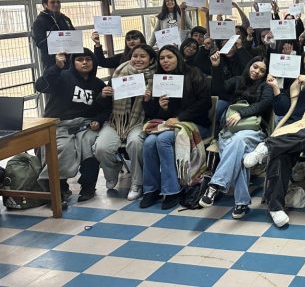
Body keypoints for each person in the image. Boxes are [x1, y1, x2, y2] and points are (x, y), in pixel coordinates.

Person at [243, 49, 305, 227]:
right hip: (293, 133)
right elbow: (284, 110)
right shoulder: (297, 84)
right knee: (281, 153)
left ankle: (267, 146)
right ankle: (276, 207)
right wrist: (275, 88)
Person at [200, 55, 273, 218]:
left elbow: (265, 103)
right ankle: (242, 202)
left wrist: (241, 113)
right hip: (229, 130)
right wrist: (216, 67)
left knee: (239, 141)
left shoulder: (265, 86)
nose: (257, 72)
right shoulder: (238, 81)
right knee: (239, 154)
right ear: (249, 65)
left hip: (253, 131)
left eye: (262, 70)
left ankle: (215, 185)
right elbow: (218, 91)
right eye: (255, 67)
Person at [34, 49, 111, 203]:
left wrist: (98, 120)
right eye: (80, 59)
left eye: (88, 59)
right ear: (73, 62)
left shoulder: (98, 84)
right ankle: (58, 188)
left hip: (86, 125)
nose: (84, 62)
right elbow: (40, 86)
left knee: (91, 145)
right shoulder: (62, 76)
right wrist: (56, 67)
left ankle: (88, 186)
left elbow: (106, 109)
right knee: (62, 148)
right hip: (59, 124)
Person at [140, 46, 211, 210]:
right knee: (149, 142)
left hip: (195, 124)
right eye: (162, 58)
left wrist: (180, 118)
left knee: (163, 140)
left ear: (178, 57)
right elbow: (155, 114)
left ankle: (173, 190)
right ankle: (151, 189)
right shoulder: (159, 79)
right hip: (169, 125)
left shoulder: (193, 73)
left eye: (169, 57)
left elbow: (205, 102)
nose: (165, 61)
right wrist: (158, 106)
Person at [93, 44, 157, 200]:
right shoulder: (120, 72)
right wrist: (104, 95)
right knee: (101, 147)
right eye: (135, 56)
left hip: (141, 121)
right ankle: (111, 174)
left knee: (135, 143)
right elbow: (104, 105)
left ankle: (137, 183)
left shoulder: (156, 77)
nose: (138, 59)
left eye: (143, 56)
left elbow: (158, 112)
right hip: (116, 121)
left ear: (151, 59)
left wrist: (148, 101)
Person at [32, 0, 75, 69]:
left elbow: (73, 34)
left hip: (70, 59)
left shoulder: (65, 19)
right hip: (52, 62)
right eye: (52, 2)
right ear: (45, 5)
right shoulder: (39, 21)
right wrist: (57, 41)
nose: (56, 4)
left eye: (58, 2)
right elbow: (40, 43)